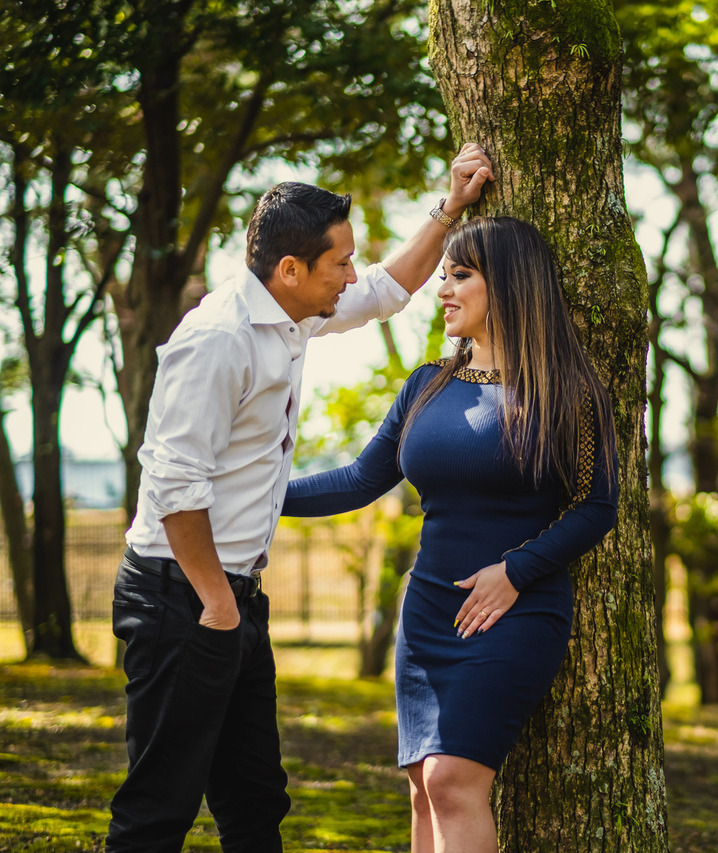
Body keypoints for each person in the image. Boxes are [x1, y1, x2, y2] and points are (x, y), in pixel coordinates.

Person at [105, 143, 494, 853]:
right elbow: (172, 485)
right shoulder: (217, 340)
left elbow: (387, 289)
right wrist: (217, 605)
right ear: (290, 270)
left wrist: (449, 210)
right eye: (339, 262)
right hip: (179, 596)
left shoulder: (292, 315)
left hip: (232, 598)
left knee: (255, 800)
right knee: (159, 805)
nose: (351, 273)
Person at [282, 215, 619, 852]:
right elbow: (359, 480)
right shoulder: (426, 385)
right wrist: (255, 499)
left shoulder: (566, 389)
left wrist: (515, 571)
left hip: (511, 612)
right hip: (430, 608)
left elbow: (598, 506)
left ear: (512, 285)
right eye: (443, 276)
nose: (443, 290)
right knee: (423, 785)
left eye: (460, 276)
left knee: (452, 778)